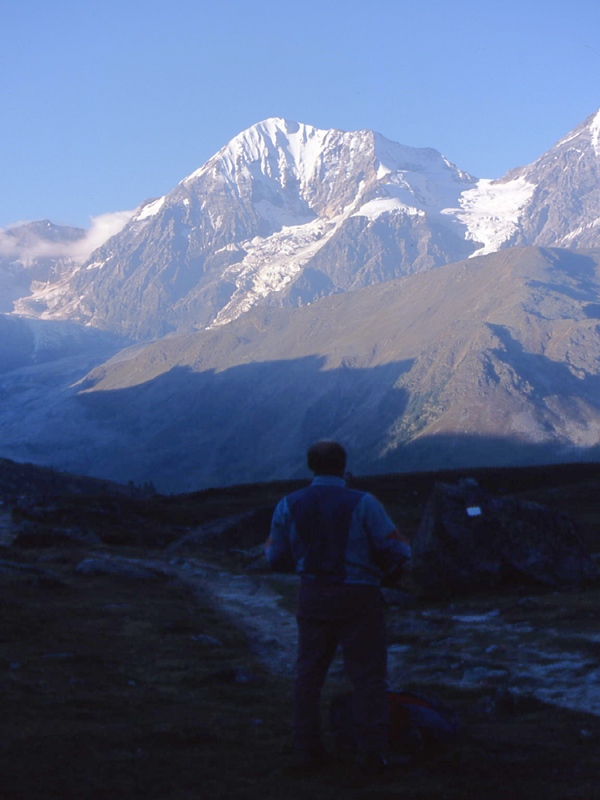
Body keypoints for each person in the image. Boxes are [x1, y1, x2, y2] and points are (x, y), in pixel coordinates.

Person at [264, 440, 411, 774]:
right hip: (359, 597)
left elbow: (274, 556)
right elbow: (398, 549)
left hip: (313, 594)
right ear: (344, 466)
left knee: (308, 673)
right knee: (368, 675)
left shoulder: (288, 504)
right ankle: (372, 752)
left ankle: (306, 748)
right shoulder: (364, 502)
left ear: (311, 466)